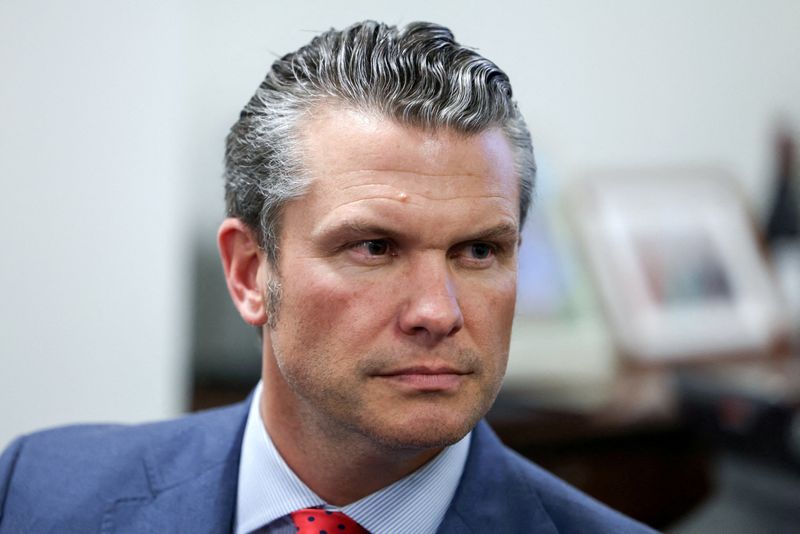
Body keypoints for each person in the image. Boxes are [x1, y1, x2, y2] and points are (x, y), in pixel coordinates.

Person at [0, 21, 654, 533]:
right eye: (374, 247)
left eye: (479, 252)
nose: (438, 311)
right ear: (252, 273)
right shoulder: (37, 493)